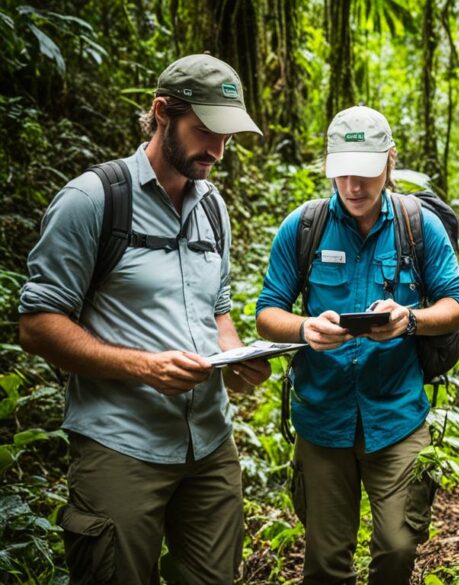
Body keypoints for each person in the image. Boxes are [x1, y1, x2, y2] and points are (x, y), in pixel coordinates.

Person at [17, 54, 271, 584]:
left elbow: (216, 308)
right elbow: (38, 324)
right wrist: (144, 367)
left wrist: (239, 356)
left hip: (209, 444)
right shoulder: (93, 199)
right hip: (121, 444)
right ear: (161, 113)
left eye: (227, 137)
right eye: (205, 132)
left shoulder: (212, 208)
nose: (218, 151)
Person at [255, 105, 459, 584]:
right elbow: (268, 313)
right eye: (343, 173)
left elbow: (456, 307)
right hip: (322, 416)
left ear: (390, 161)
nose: (353, 186)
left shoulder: (420, 226)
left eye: (366, 173)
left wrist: (408, 320)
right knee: (326, 561)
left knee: (397, 547)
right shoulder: (304, 226)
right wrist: (305, 328)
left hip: (396, 415)